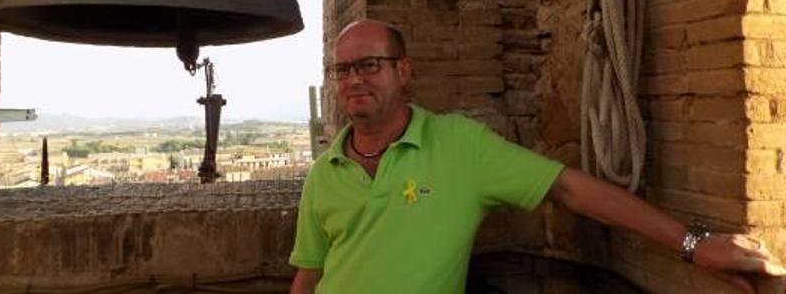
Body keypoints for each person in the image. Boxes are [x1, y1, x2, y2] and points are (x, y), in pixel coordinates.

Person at [289, 19, 786, 294]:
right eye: (343, 69)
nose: (354, 79)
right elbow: (309, 276)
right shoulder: (323, 176)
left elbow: (568, 187)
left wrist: (693, 244)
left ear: (404, 71)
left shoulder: (459, 146)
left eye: (370, 64)